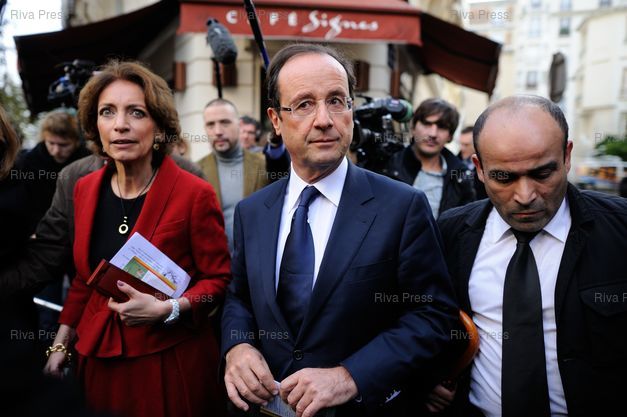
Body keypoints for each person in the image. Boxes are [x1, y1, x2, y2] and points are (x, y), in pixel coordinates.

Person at [221, 43, 458, 417]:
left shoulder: (402, 206)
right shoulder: (253, 212)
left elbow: (433, 316)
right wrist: (238, 347)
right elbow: (239, 298)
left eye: (336, 101)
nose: (324, 119)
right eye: (303, 104)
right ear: (276, 120)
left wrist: (351, 376)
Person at [43, 60, 231, 417]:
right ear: (95, 127)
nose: (120, 124)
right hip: (98, 363)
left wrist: (169, 309)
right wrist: (60, 345)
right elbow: (85, 280)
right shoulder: (83, 189)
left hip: (170, 366)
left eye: (136, 112)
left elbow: (218, 281)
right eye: (107, 112)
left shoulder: (194, 193)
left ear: (159, 128)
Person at [431, 95, 627, 416]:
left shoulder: (620, 229)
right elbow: (423, 319)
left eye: (542, 173)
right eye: (504, 177)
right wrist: (427, 377)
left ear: (566, 156)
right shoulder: (449, 233)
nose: (525, 195)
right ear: (479, 169)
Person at [198, 99, 288, 252]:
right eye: (210, 124)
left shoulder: (264, 164)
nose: (218, 131)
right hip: (216, 261)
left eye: (225, 122)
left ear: (239, 125)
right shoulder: (196, 171)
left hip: (259, 258)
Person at [386, 98, 475, 218]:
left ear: (450, 136)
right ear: (413, 127)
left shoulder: (460, 177)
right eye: (427, 124)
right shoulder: (388, 162)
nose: (433, 134)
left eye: (442, 127)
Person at [457, 125, 487, 200]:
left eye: (466, 145)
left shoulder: (486, 165)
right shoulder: (454, 163)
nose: (462, 148)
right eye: (461, 144)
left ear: (476, 144)